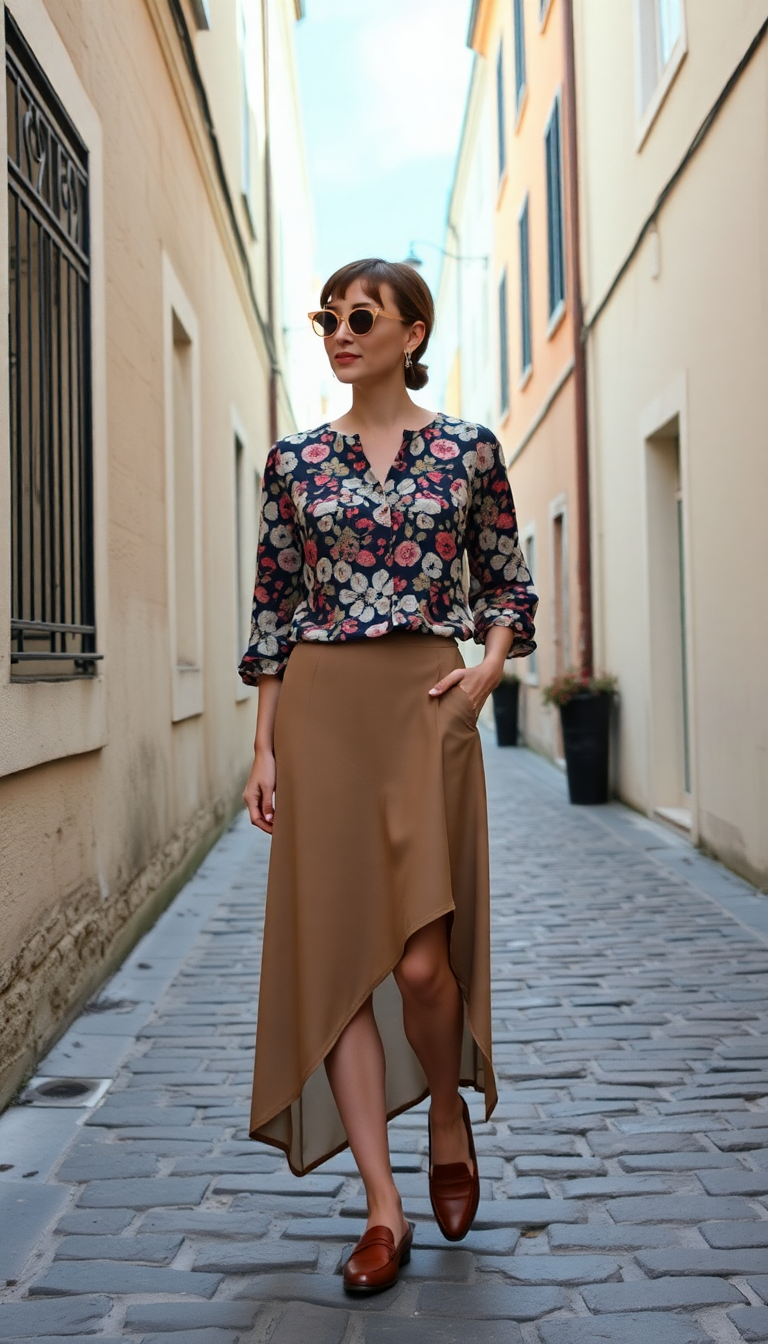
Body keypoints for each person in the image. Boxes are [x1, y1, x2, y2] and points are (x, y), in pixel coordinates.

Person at [239, 258, 537, 1296]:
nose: (338, 332)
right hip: (322, 714)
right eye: (326, 318)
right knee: (333, 974)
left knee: (420, 964)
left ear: (413, 331)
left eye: (359, 316)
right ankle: (382, 1208)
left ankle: (447, 1117)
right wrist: (266, 746)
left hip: (424, 709)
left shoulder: (467, 451)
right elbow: (272, 612)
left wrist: (488, 669)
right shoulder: (291, 464)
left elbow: (505, 580)